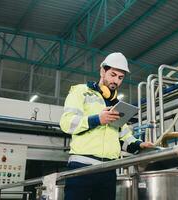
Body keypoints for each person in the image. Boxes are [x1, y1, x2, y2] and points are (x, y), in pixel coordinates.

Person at [60, 52, 153, 200]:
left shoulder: (117, 106)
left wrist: (140, 145)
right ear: (102, 71)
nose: (116, 81)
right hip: (81, 167)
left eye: (120, 78)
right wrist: (97, 119)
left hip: (108, 170)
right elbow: (67, 123)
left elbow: (124, 138)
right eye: (113, 74)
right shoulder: (81, 92)